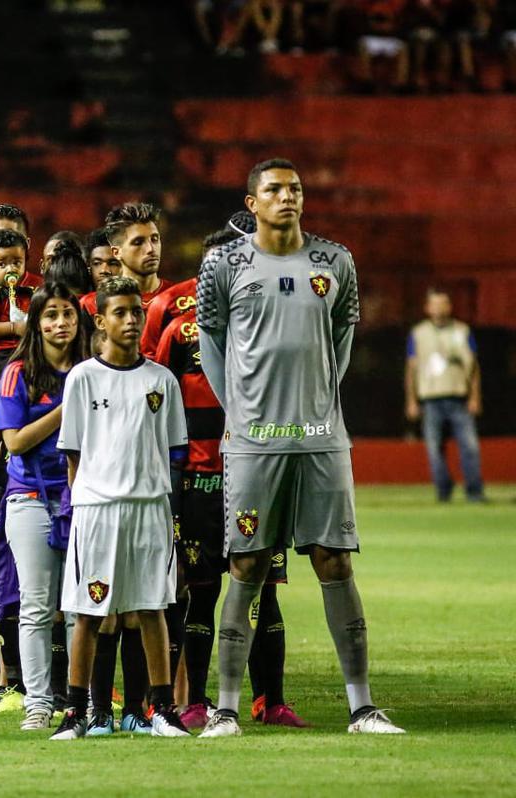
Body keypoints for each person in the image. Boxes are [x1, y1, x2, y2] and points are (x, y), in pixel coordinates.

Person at [196, 157, 404, 736]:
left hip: (320, 438)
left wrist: (315, 404)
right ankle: (228, 708)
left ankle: (362, 707)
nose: (287, 196)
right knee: (248, 563)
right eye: (274, 190)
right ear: (251, 204)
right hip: (254, 443)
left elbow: (342, 338)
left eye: (295, 188)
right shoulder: (224, 263)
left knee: (333, 560)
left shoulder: (335, 260)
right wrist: (239, 409)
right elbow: (212, 341)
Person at [152, 228, 303, 731]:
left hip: (260, 478)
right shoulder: (176, 322)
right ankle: (195, 699)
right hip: (201, 481)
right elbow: (155, 398)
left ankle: (271, 700)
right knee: (202, 589)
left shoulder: (276, 319)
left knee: (266, 592)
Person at [52, 276, 191, 740]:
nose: (131, 320)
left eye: (137, 312)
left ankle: (162, 711)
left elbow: (172, 450)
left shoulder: (161, 379)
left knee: (152, 608)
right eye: (121, 313)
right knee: (89, 613)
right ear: (101, 319)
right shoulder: (82, 378)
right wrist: (83, 503)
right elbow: (72, 452)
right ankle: (76, 713)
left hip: (150, 508)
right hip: (96, 510)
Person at [0, 282, 90, 731]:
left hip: (85, 497)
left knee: (78, 607)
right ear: (36, 322)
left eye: (67, 314)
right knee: (35, 605)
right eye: (50, 315)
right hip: (30, 498)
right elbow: (14, 442)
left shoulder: (93, 369)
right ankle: (36, 702)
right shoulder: (17, 373)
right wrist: (68, 407)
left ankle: (78, 703)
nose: (60, 323)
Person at [0, 229, 44, 498]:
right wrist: (14, 327)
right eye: (2, 264)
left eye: (17, 262)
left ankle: (19, 464)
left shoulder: (33, 292)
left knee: (26, 413)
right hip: (1, 359)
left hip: (28, 359)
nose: (10, 269)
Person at [405, 288, 485, 502]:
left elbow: (474, 367)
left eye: (443, 304)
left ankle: (474, 492)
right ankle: (443, 491)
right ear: (427, 308)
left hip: (459, 396)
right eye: (435, 304)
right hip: (430, 399)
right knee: (433, 449)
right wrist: (411, 400)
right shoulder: (418, 334)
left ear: (449, 307)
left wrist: (475, 396)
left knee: (470, 446)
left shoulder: (462, 331)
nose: (439, 309)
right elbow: (411, 369)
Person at [81, 203, 173, 317]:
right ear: (117, 252)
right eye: (138, 242)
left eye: (154, 239)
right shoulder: (91, 306)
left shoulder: (179, 300)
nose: (151, 249)